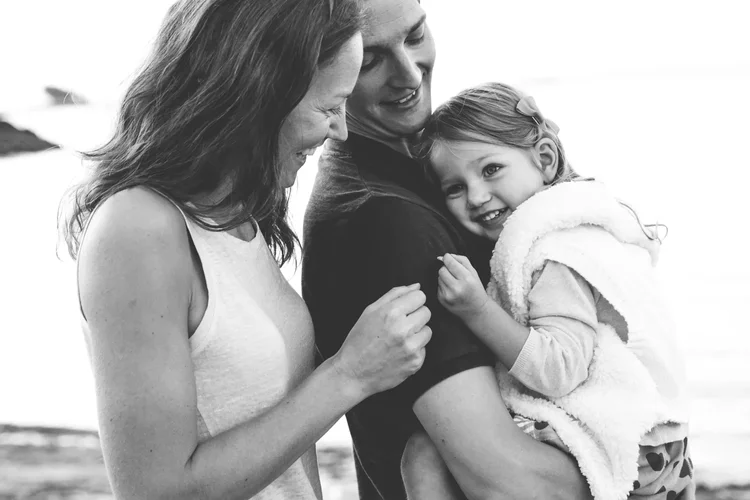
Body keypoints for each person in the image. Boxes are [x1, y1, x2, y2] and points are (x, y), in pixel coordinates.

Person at [58, 1, 434, 499]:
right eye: (329, 108)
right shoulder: (138, 228)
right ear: (259, 94)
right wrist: (349, 375)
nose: (340, 130)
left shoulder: (237, 216)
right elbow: (157, 490)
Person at [302, 1, 595, 499]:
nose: (409, 73)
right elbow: (506, 480)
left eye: (415, 36)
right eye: (370, 60)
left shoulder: (425, 171)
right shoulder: (386, 221)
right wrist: (648, 470)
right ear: (323, 70)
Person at [400, 81, 694, 499]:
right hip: (663, 446)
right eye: (455, 188)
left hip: (636, 453)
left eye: (490, 169)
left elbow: (559, 370)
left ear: (545, 158)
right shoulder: (586, 224)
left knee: (424, 455)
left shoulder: (555, 253)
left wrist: (477, 309)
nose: (476, 196)